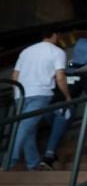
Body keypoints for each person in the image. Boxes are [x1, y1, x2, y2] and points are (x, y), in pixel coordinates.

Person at [10, 31, 70, 171]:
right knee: (25, 127)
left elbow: (15, 75)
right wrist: (67, 96)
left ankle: (33, 165)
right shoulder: (57, 52)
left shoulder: (26, 51)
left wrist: (16, 94)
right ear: (55, 35)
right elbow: (60, 76)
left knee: (28, 129)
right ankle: (9, 161)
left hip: (21, 93)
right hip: (41, 92)